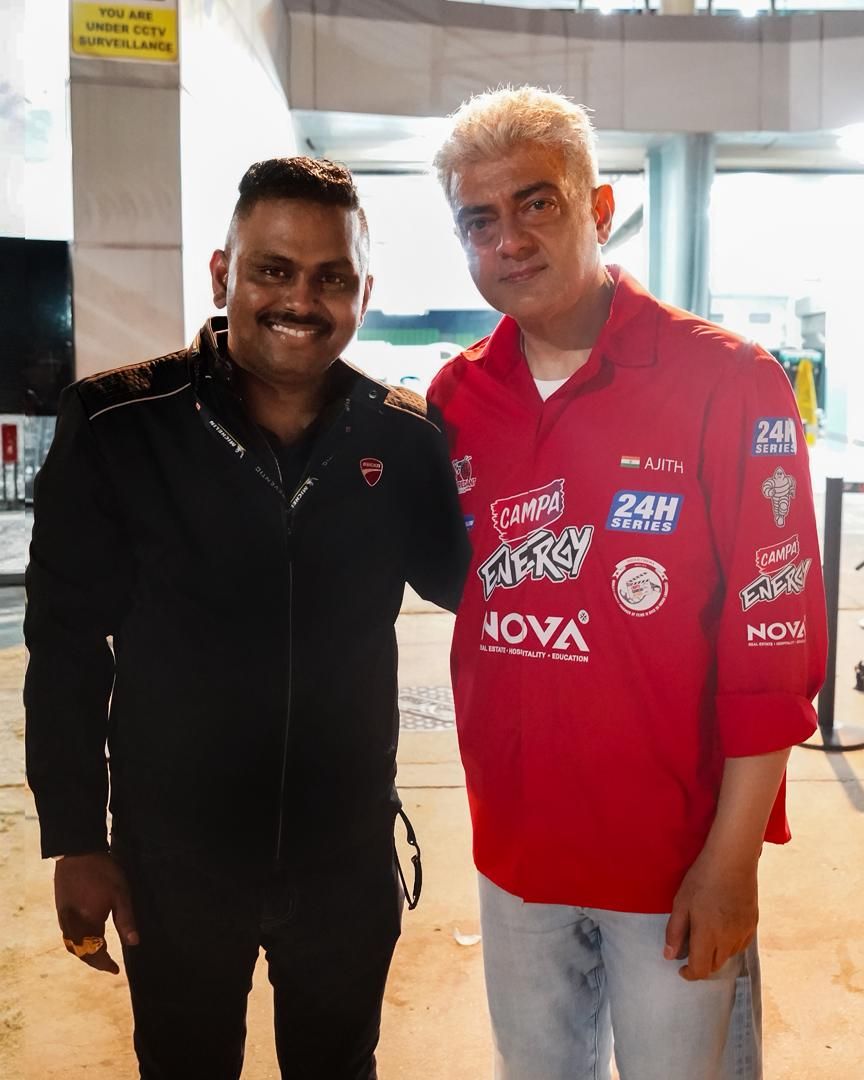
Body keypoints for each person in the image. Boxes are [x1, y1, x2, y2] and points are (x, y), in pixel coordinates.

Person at [25, 156, 470, 1080]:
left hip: (345, 860)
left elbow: (480, 590)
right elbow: (65, 645)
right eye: (273, 269)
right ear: (225, 273)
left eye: (330, 277)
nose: (300, 299)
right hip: (175, 865)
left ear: (362, 292)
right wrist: (75, 837)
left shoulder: (401, 436)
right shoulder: (119, 425)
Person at [428, 87, 827, 1080]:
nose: (508, 240)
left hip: (672, 858)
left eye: (537, 203)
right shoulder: (456, 399)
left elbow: (773, 639)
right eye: (480, 220)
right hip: (515, 856)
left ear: (598, 209)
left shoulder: (730, 380)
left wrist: (732, 861)